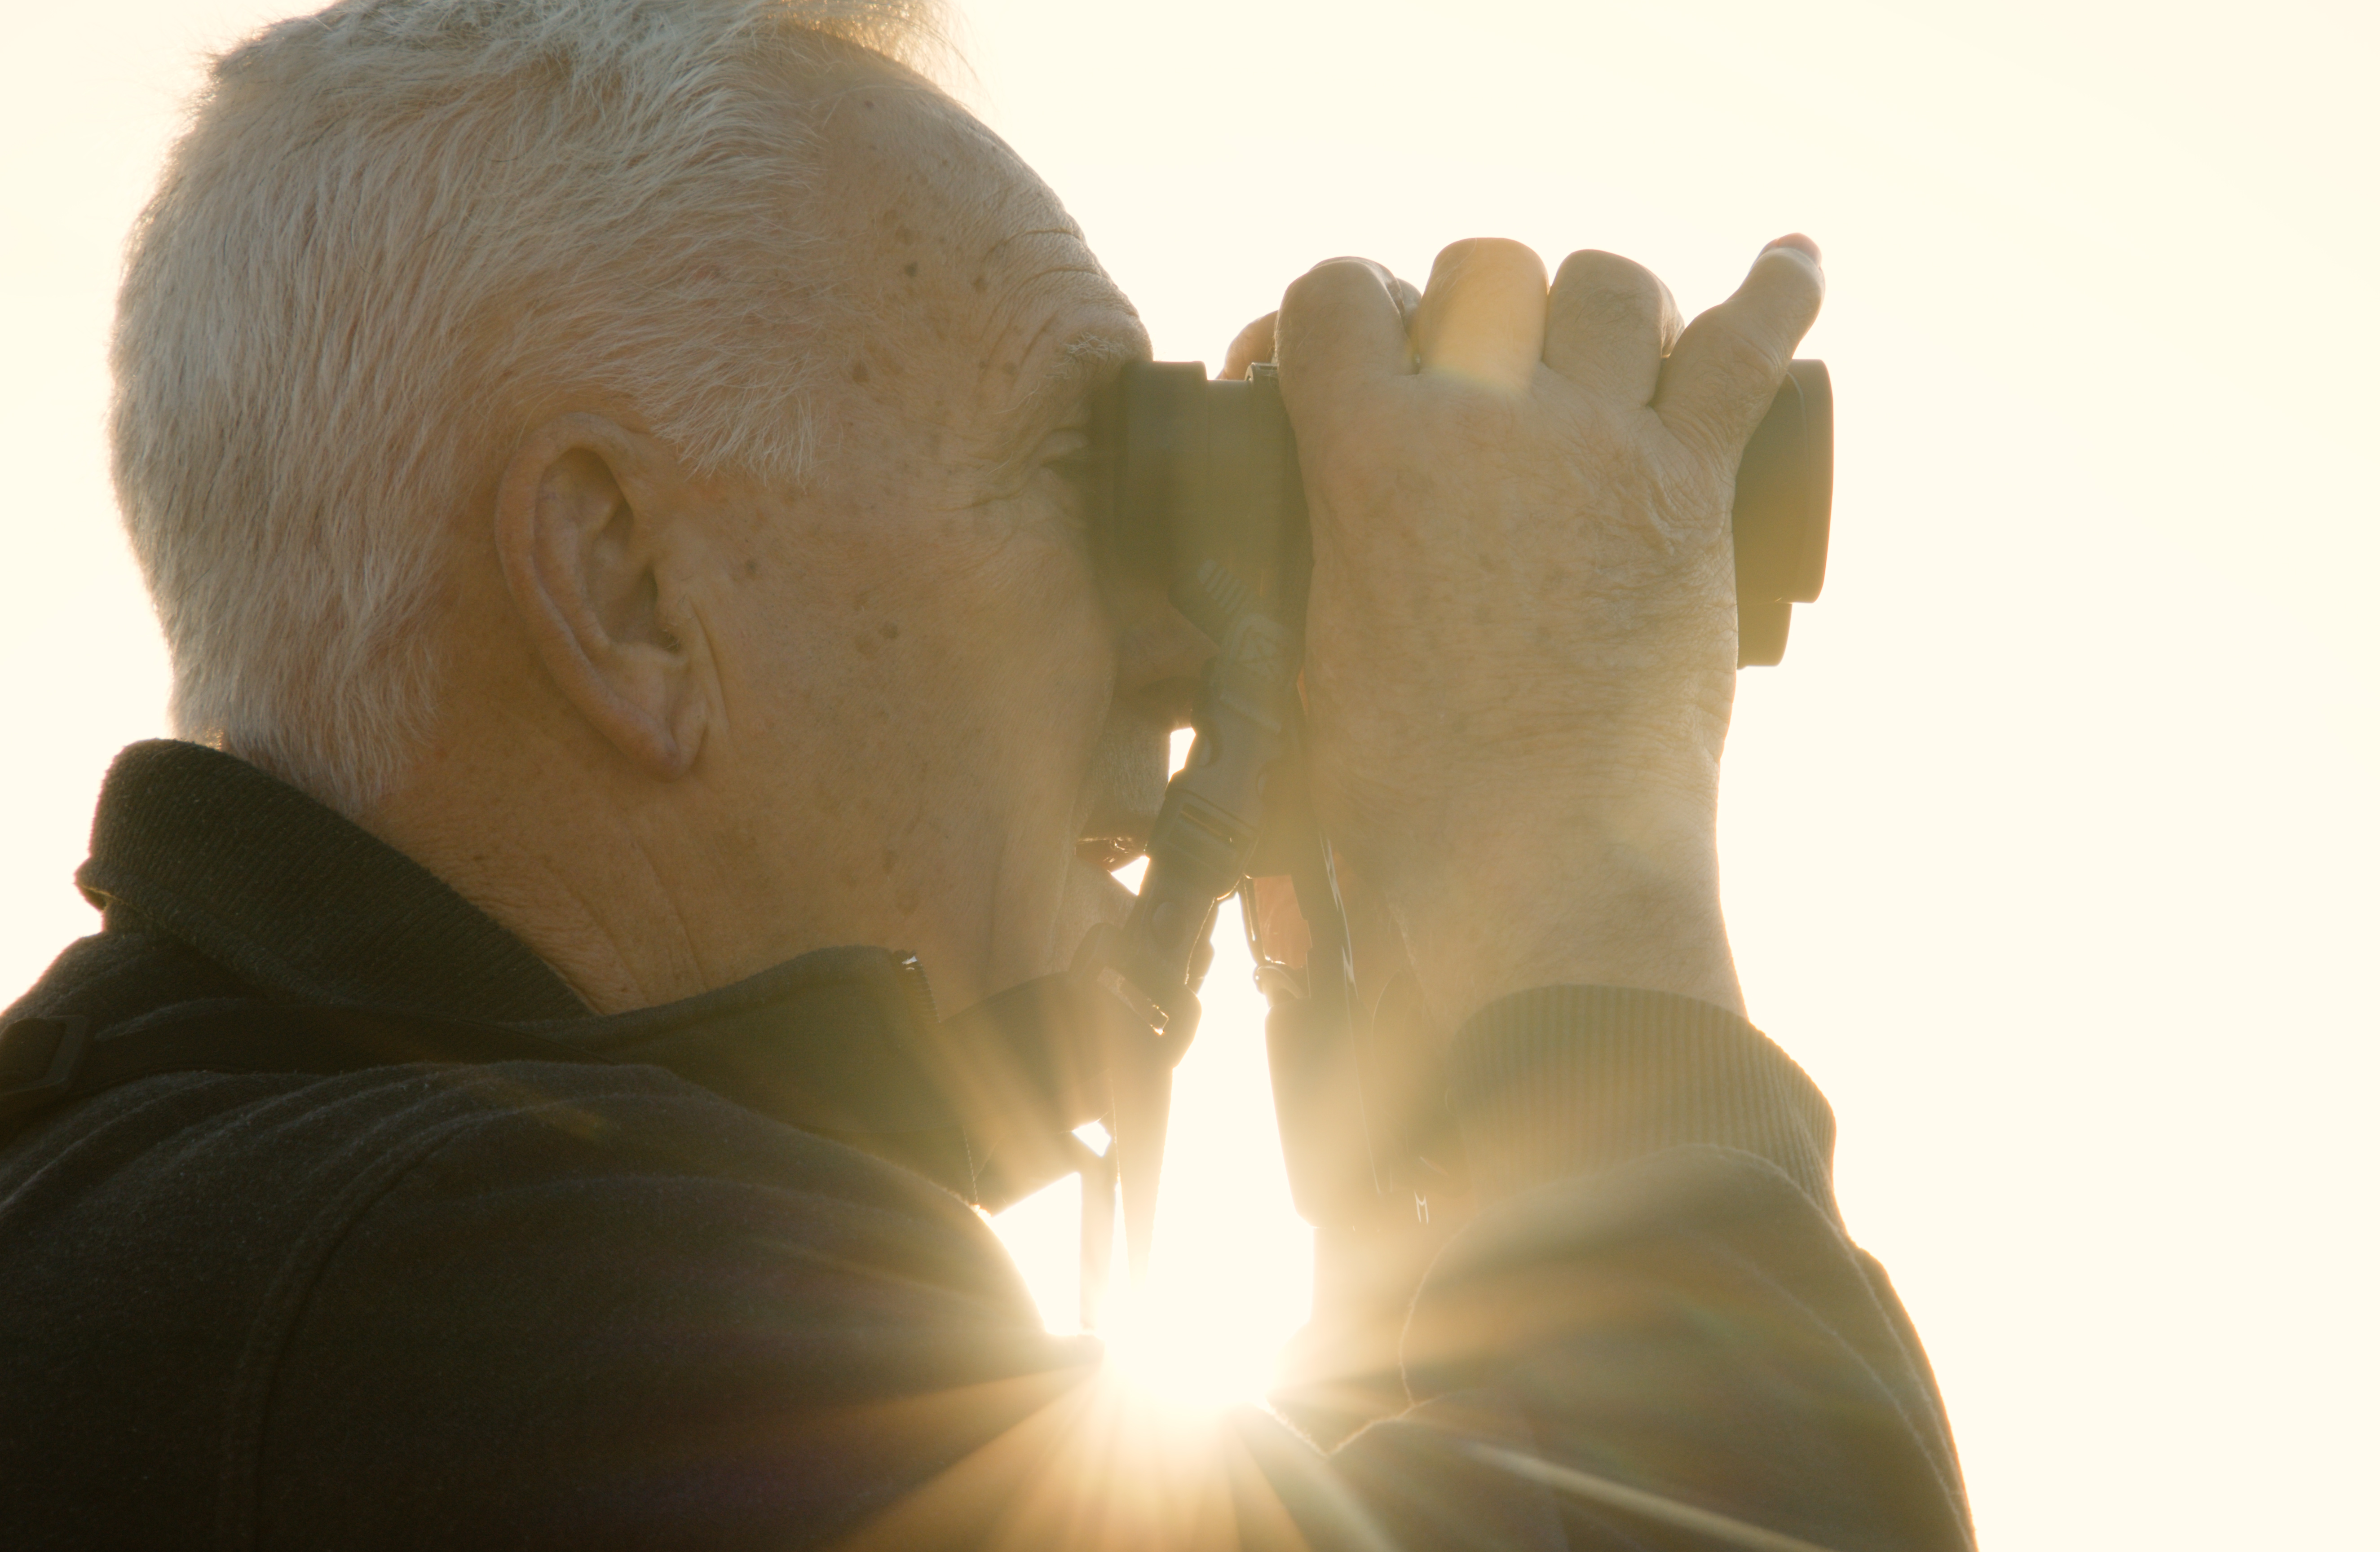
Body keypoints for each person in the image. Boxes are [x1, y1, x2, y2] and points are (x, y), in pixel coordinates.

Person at [0, 0, 1974, 1546]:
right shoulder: (503, 1303)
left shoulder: (204, 1238)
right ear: (632, 593)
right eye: (1083, 475)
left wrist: (1417, 1138)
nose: (1181, 642)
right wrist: (1575, 853)